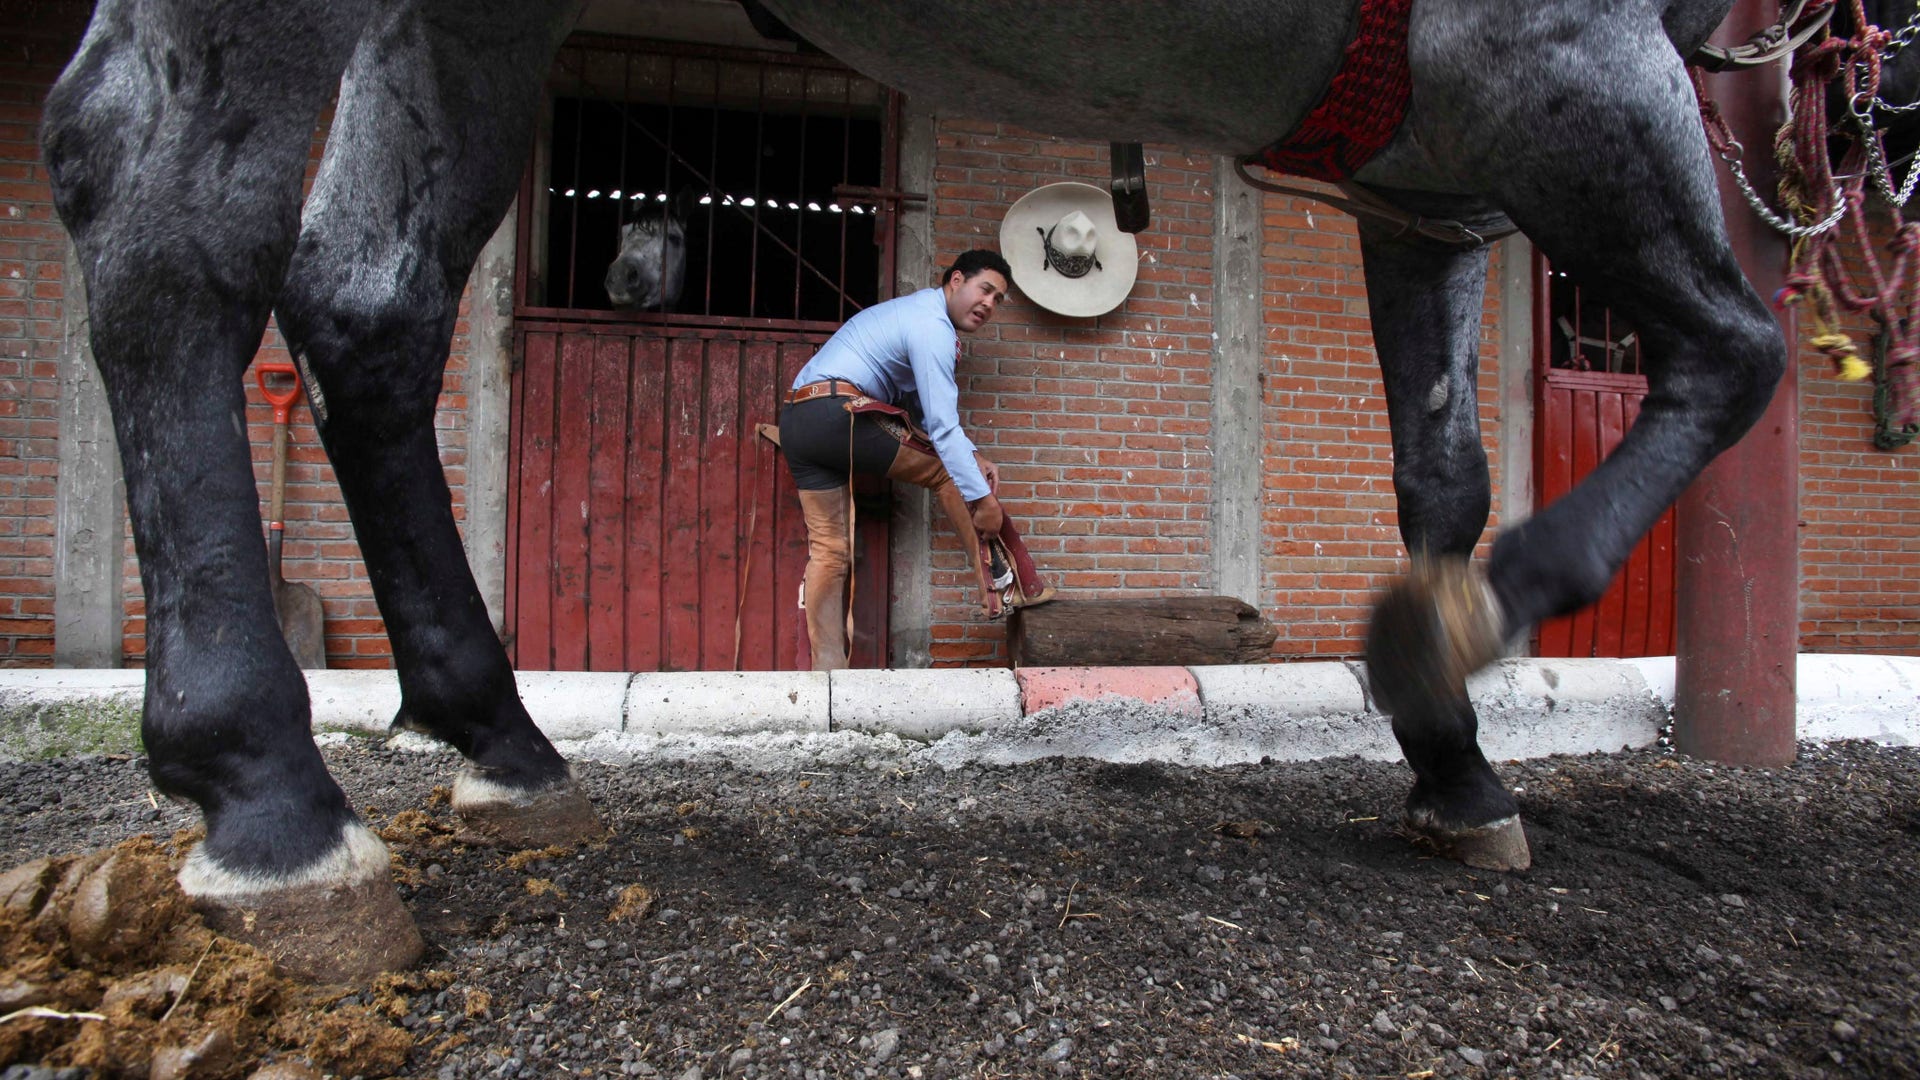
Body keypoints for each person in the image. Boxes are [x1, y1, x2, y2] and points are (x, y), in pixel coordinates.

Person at [778, 249, 1054, 671]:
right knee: (951, 473)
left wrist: (974, 454)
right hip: (838, 414)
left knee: (830, 551)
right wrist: (983, 501)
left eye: (999, 299)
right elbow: (942, 431)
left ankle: (827, 676)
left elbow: (923, 413)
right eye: (985, 290)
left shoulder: (913, 315)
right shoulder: (932, 326)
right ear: (957, 280)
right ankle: (1005, 589)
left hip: (800, 420)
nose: (990, 304)